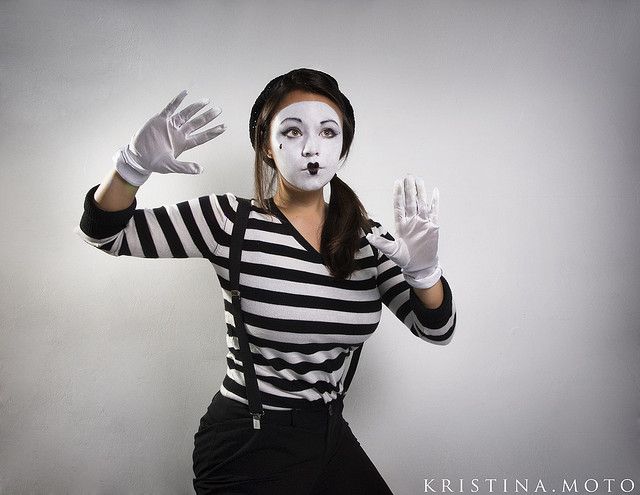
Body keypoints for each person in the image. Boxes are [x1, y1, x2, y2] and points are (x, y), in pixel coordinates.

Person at [75, 68, 457, 494]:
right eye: (292, 132)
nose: (312, 147)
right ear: (266, 146)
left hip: (329, 435)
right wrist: (131, 168)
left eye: (329, 132)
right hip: (249, 446)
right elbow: (105, 235)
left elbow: (437, 329)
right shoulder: (228, 221)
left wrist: (424, 272)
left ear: (342, 148)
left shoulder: (368, 238)